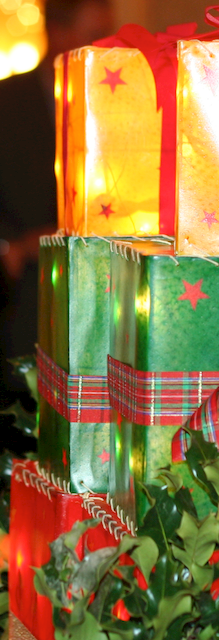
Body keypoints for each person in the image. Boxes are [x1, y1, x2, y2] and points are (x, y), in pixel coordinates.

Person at [0, 0, 114, 405]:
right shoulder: (6, 103)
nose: (107, 49)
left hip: (100, 318)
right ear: (58, 33)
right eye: (95, 37)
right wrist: (14, 248)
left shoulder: (117, 107)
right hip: (21, 316)